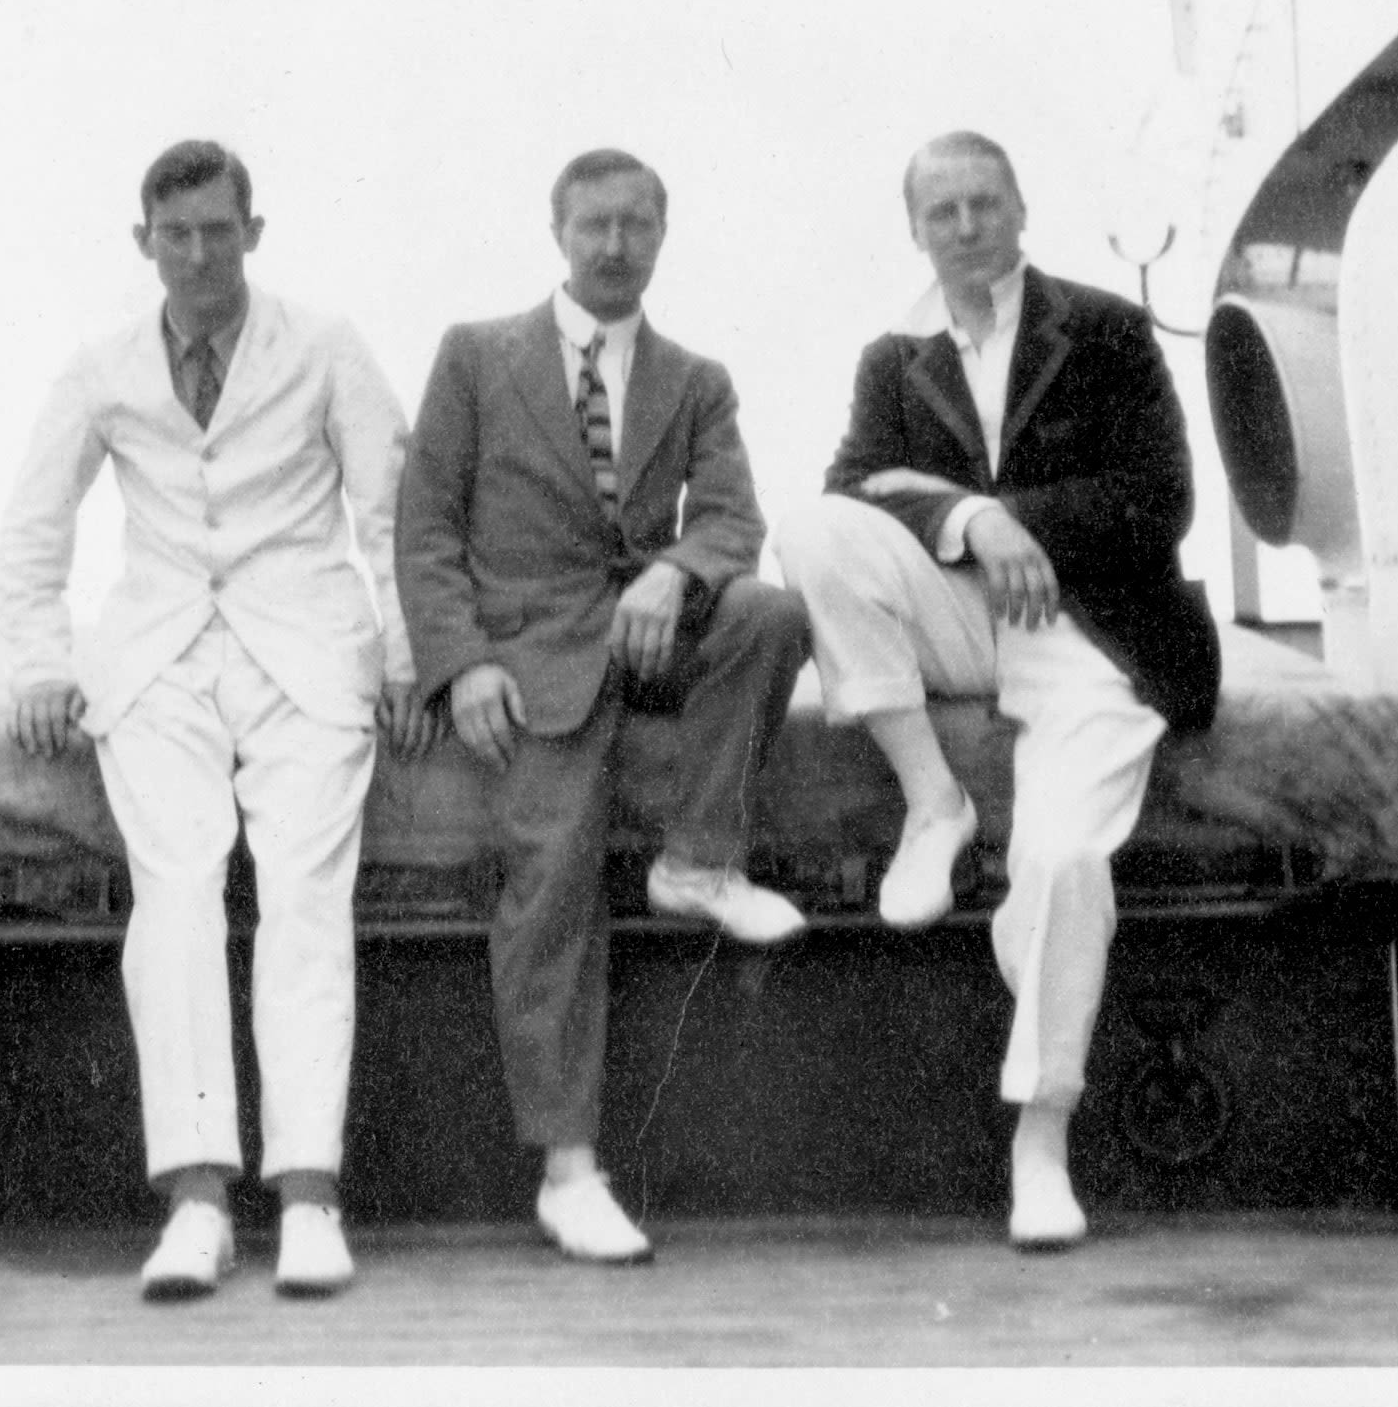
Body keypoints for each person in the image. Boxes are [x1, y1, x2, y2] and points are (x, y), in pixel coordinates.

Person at [771, 131, 1220, 1249]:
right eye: (942, 212)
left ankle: (1041, 1134)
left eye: (984, 204)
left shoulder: (1104, 329)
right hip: (974, 621)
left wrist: (1023, 523)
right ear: (916, 228)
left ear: (1020, 208)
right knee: (812, 531)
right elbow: (851, 488)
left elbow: (1159, 501)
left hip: (1094, 630)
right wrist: (969, 518)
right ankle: (936, 801)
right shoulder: (896, 356)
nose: (966, 227)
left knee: (1064, 862)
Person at [0, 139, 427, 1300]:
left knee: (303, 896)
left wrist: (403, 656)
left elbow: (392, 514)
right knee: (174, 896)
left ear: (253, 232)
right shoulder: (101, 366)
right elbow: (32, 531)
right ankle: (195, 1199)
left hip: (308, 656)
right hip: (158, 661)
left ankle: (307, 1196)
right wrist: (40, 665)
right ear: (144, 241)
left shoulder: (326, 345)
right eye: (174, 235)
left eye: (218, 231)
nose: (198, 255)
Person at [396, 148, 813, 1265]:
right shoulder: (477, 356)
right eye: (596, 224)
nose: (615, 244)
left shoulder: (694, 378)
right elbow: (425, 527)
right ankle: (568, 1171)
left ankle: (698, 861)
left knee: (768, 617)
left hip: (648, 630)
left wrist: (677, 572)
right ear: (558, 229)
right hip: (530, 663)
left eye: (637, 224)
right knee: (550, 883)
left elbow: (731, 518)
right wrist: (461, 664)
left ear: (661, 237)